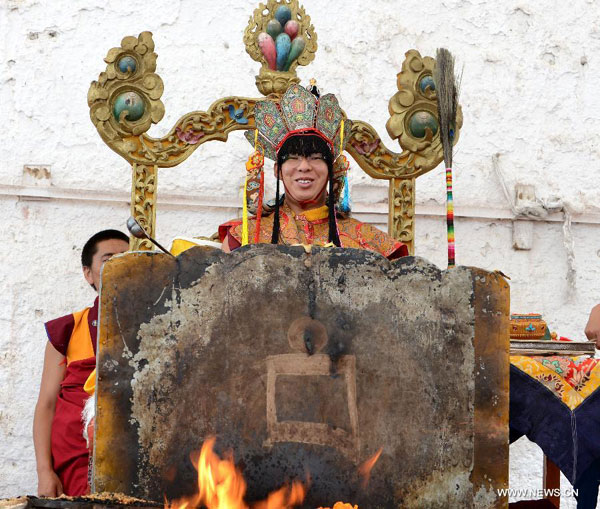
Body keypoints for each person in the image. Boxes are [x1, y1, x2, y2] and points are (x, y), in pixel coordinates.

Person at [219, 83, 407, 260]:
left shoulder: (371, 243)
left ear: (332, 170)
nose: (304, 166)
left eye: (315, 157)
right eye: (293, 157)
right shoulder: (243, 237)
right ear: (278, 170)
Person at [33, 230, 129, 496]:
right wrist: (44, 471)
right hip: (76, 455)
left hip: (134, 453)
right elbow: (47, 405)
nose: (120, 266)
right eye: (109, 260)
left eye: (127, 259)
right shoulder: (68, 330)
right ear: (88, 273)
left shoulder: (157, 328)